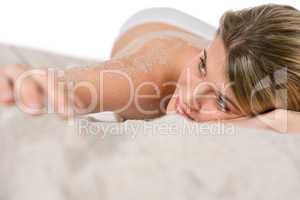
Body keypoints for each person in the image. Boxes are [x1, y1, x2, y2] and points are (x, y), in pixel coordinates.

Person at [0, 4, 299, 133]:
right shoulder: (149, 81)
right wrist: (30, 83)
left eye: (221, 101)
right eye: (202, 64)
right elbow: (76, 86)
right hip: (160, 34)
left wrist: (264, 123)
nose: (190, 95)